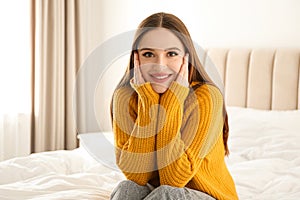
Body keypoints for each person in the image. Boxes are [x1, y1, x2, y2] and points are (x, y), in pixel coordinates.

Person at [110, 12, 238, 200]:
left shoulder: (207, 97)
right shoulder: (125, 96)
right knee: (127, 189)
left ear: (186, 58)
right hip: (157, 193)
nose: (160, 65)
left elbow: (174, 178)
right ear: (136, 59)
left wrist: (173, 99)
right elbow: (137, 176)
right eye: (148, 54)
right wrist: (148, 101)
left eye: (171, 54)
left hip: (208, 195)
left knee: (167, 194)